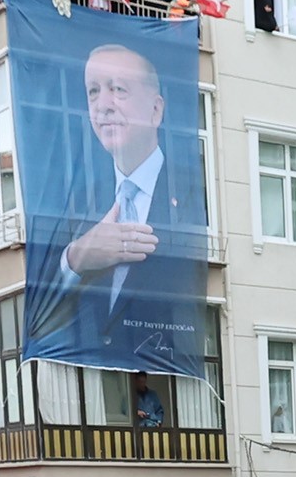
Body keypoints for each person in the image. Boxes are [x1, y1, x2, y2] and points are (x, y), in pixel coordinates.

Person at [26, 39, 205, 373]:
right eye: (93, 92)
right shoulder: (76, 202)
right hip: (89, 393)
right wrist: (77, 258)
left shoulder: (195, 191)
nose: (103, 106)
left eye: (118, 89)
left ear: (156, 110)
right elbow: (39, 317)